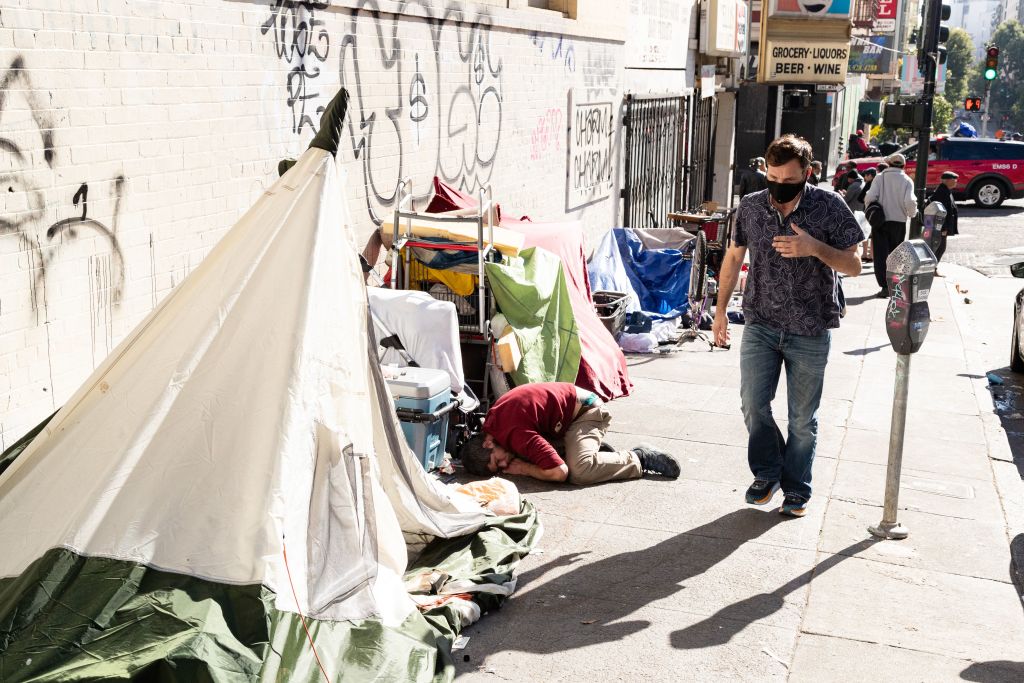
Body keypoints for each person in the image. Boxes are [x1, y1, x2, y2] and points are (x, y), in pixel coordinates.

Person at [712, 135, 863, 517]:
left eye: (788, 179)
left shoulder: (830, 206)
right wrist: (718, 312)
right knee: (752, 404)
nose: (779, 185)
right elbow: (732, 259)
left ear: (807, 173)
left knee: (802, 419)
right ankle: (767, 472)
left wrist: (815, 248)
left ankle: (797, 488)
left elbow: (855, 264)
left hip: (810, 328)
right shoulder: (749, 207)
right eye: (772, 176)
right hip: (760, 322)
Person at [459, 382, 680, 485]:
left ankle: (638, 457)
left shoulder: (514, 433)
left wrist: (525, 469)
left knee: (578, 472)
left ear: (488, 443)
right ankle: (590, 451)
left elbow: (559, 473)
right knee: (530, 458)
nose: (505, 466)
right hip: (563, 419)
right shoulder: (493, 427)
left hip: (587, 412)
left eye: (498, 461)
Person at [865, 153, 918, 298]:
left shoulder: (880, 177)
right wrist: (912, 214)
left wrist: (871, 209)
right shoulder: (907, 180)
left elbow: (870, 197)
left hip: (880, 221)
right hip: (899, 222)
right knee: (897, 256)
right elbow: (910, 202)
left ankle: (884, 286)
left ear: (889, 164)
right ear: (903, 165)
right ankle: (895, 285)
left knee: (880, 255)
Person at [927, 171, 959, 263]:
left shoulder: (946, 190)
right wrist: (943, 228)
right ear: (947, 181)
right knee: (939, 248)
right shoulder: (942, 192)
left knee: (940, 248)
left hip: (941, 227)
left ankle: (934, 268)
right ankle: (933, 268)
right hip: (940, 227)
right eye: (954, 180)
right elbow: (941, 212)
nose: (956, 181)